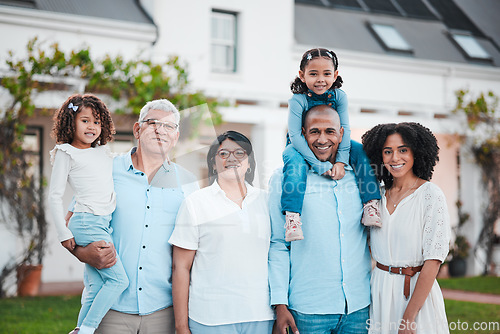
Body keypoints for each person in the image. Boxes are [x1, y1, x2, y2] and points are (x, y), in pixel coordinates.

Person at [67, 99, 199, 334]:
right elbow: (73, 223)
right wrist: (83, 253)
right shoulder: (104, 170)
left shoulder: (188, 183)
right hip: (109, 311)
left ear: (176, 137)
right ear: (138, 129)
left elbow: (196, 247)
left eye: (169, 126)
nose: (161, 130)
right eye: (153, 123)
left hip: (163, 311)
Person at [269, 105, 372, 334]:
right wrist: (280, 305)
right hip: (308, 310)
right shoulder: (284, 179)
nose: (322, 139)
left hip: (359, 308)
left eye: (330, 131)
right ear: (303, 134)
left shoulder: (361, 179)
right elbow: (278, 244)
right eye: (315, 131)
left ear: (342, 134)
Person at [170, 131, 274, 334]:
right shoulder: (195, 203)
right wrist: (181, 326)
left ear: (250, 162)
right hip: (209, 318)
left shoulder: (268, 201)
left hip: (261, 315)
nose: (232, 159)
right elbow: (180, 267)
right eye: (223, 153)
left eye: (240, 153)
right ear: (213, 162)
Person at [282, 47, 381, 242]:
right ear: (302, 75)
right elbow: (295, 135)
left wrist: (341, 162)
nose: (320, 79)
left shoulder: (339, 97)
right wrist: (318, 165)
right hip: (301, 143)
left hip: (334, 143)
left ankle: (370, 203)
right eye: (313, 74)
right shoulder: (298, 100)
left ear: (335, 75)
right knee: (292, 161)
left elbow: (344, 129)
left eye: (327, 73)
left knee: (359, 150)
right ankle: (292, 216)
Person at [48, 94, 128, 334]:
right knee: (118, 280)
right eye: (84, 120)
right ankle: (87, 329)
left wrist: (72, 208)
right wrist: (63, 233)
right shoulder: (66, 152)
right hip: (87, 223)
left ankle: (78, 329)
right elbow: (53, 195)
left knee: (94, 286)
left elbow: (91, 187)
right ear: (70, 122)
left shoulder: (102, 152)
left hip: (101, 222)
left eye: (96, 121)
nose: (91, 126)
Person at [362, 123, 450, 334]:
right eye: (387, 151)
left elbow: (433, 261)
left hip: (415, 297)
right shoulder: (376, 196)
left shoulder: (430, 195)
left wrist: (409, 318)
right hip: (380, 292)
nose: (395, 158)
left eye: (403, 150)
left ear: (416, 152)